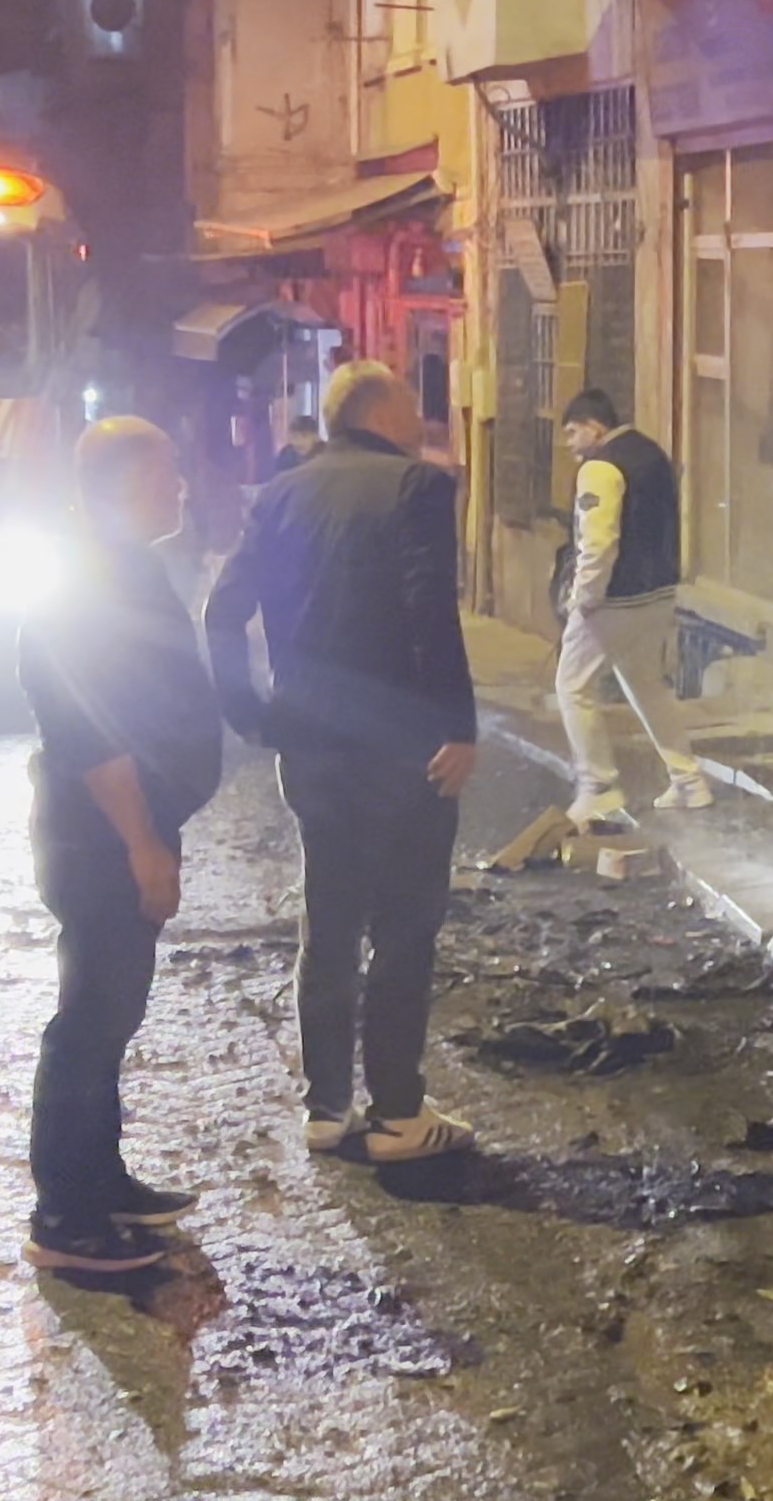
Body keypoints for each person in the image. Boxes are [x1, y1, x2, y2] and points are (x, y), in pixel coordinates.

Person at [203, 358, 481, 1164]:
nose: (422, 421)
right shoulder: (416, 488)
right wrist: (457, 725)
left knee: (329, 919)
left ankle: (325, 1108)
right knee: (403, 926)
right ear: (381, 412)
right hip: (404, 746)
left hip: (310, 744)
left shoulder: (280, 493)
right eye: (411, 406)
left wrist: (250, 714)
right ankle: (398, 1113)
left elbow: (224, 613)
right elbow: (432, 610)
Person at [15, 416, 222, 1277]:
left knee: (112, 1012)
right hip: (101, 836)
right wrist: (142, 842)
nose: (180, 487)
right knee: (91, 1020)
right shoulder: (86, 581)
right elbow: (88, 728)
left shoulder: (121, 566)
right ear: (118, 487)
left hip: (121, 829)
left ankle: (100, 1178)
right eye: (165, 473)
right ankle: (67, 1215)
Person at [553, 387, 709, 827]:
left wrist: (583, 599)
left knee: (572, 686)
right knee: (646, 686)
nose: (569, 444)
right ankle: (689, 782)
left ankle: (598, 786)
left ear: (594, 427)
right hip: (658, 595)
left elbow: (598, 543)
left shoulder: (600, 468)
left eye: (572, 433)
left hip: (614, 600)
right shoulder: (652, 454)